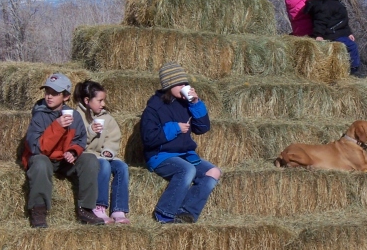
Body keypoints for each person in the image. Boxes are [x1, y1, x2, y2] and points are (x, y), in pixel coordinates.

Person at [141, 63, 221, 223]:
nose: (185, 86)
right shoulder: (153, 108)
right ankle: (164, 213)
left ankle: (186, 212)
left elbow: (203, 128)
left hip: (185, 154)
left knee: (213, 172)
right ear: (169, 85)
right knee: (187, 170)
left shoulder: (186, 104)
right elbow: (148, 138)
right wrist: (175, 128)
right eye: (180, 84)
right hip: (160, 155)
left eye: (186, 83)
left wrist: (196, 104)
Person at [21, 73, 102, 228]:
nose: (49, 97)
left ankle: (85, 209)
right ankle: (38, 210)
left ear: (65, 97)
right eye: (47, 92)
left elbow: (80, 140)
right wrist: (57, 126)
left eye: (55, 93)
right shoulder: (39, 115)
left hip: (63, 160)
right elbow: (37, 148)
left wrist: (73, 152)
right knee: (40, 163)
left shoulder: (75, 116)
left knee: (90, 159)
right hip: (44, 158)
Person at [73, 79, 131, 225]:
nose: (103, 104)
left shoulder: (107, 118)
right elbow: (75, 141)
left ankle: (119, 209)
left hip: (102, 155)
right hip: (86, 156)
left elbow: (113, 138)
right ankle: (98, 207)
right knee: (103, 166)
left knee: (122, 167)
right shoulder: (76, 116)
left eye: (103, 100)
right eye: (99, 100)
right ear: (87, 100)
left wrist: (109, 152)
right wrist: (90, 132)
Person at [304, 0, 360, 75]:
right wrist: (318, 35)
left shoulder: (331, 4)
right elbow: (320, 21)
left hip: (338, 32)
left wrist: (348, 33)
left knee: (350, 44)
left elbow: (342, 21)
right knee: (352, 47)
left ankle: (347, 68)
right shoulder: (326, 6)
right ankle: (354, 69)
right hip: (332, 35)